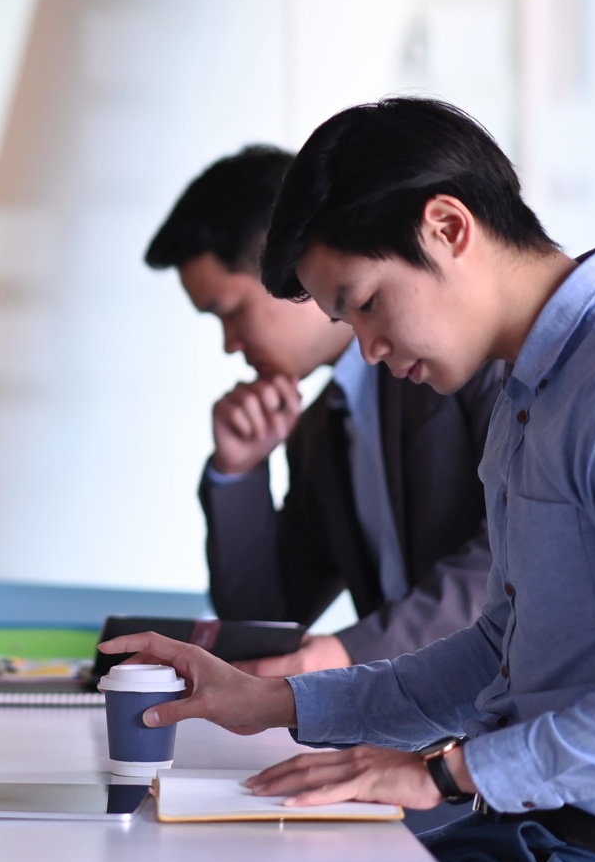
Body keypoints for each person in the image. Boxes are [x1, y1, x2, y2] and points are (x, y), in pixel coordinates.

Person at [106, 98, 595, 862]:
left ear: (448, 226)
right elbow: (501, 643)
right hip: (535, 852)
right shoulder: (533, 397)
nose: (372, 349)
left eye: (368, 303)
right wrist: (274, 702)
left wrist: (448, 772)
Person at [145, 145, 501, 674]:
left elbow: (512, 560)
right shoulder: (321, 428)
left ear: (287, 265)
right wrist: (239, 471)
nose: (230, 344)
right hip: (405, 721)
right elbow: (262, 618)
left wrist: (347, 654)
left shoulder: (466, 359)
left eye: (232, 311)